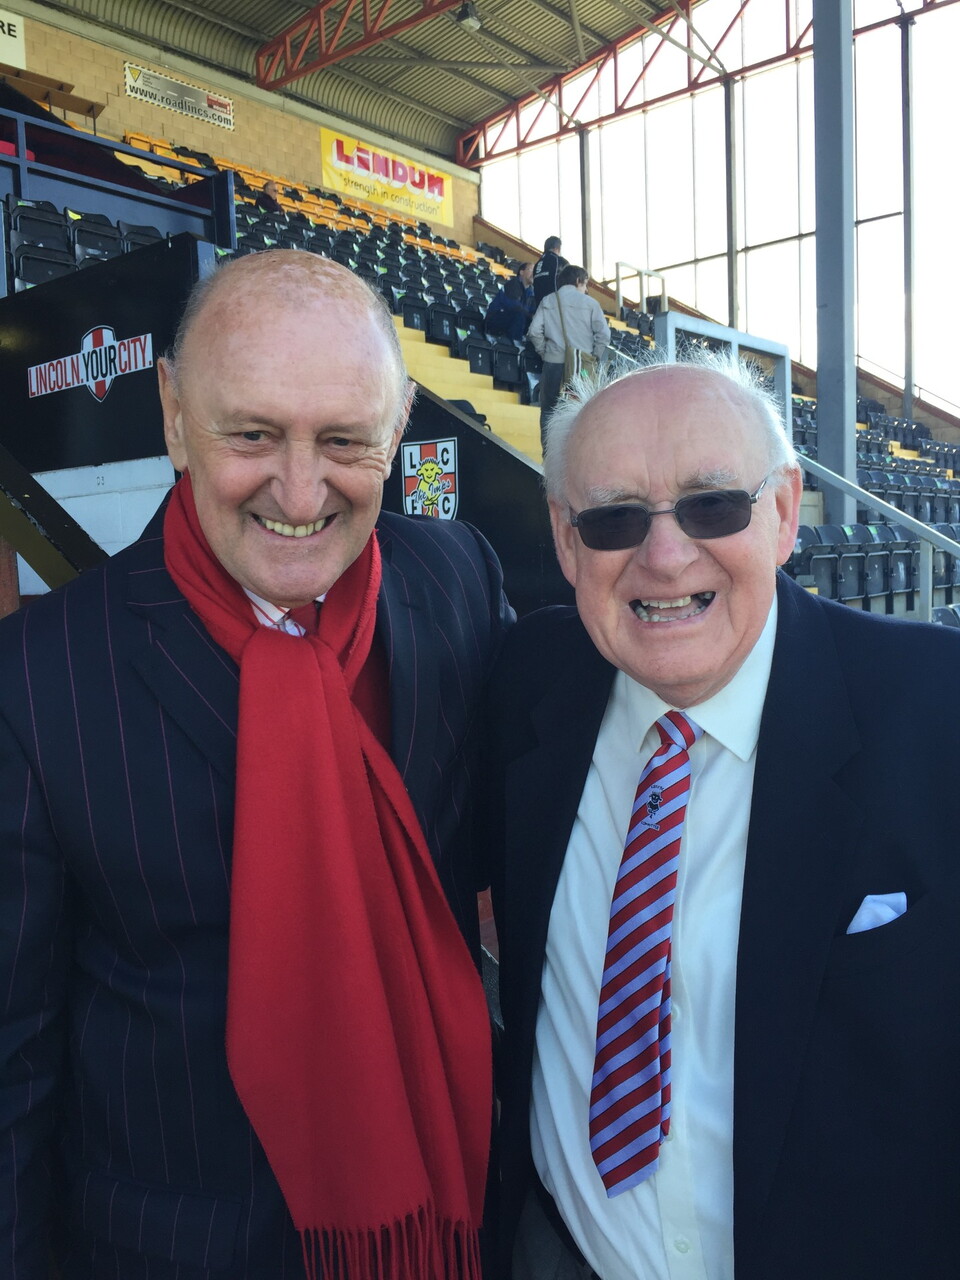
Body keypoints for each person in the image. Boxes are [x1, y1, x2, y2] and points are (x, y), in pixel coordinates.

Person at [0, 250, 512, 1278]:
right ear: (174, 415)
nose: (299, 488)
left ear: (401, 422)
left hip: (455, 1226)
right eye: (253, 434)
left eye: (343, 439)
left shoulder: (458, 580)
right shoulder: (38, 678)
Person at [486, 353, 960, 1280]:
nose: (665, 557)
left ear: (783, 512)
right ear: (566, 539)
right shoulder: (527, 683)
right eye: (616, 517)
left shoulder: (936, 710)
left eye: (714, 506)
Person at [528, 265, 610, 446]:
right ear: (578, 281)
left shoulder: (548, 301)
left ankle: (549, 459)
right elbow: (604, 335)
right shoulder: (591, 304)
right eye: (585, 284)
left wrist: (545, 352)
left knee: (549, 412)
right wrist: (594, 356)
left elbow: (534, 332)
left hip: (553, 365)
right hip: (582, 368)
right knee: (582, 412)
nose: (586, 289)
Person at [485, 262, 535, 341]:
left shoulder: (531, 291)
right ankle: (516, 345)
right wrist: (530, 315)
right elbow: (514, 306)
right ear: (522, 272)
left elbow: (532, 309)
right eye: (531, 270)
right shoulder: (512, 285)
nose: (534, 273)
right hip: (496, 319)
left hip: (512, 322)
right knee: (520, 315)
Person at [532, 236, 567, 306]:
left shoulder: (537, 264)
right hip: (555, 304)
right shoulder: (559, 261)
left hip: (539, 305)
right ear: (557, 249)